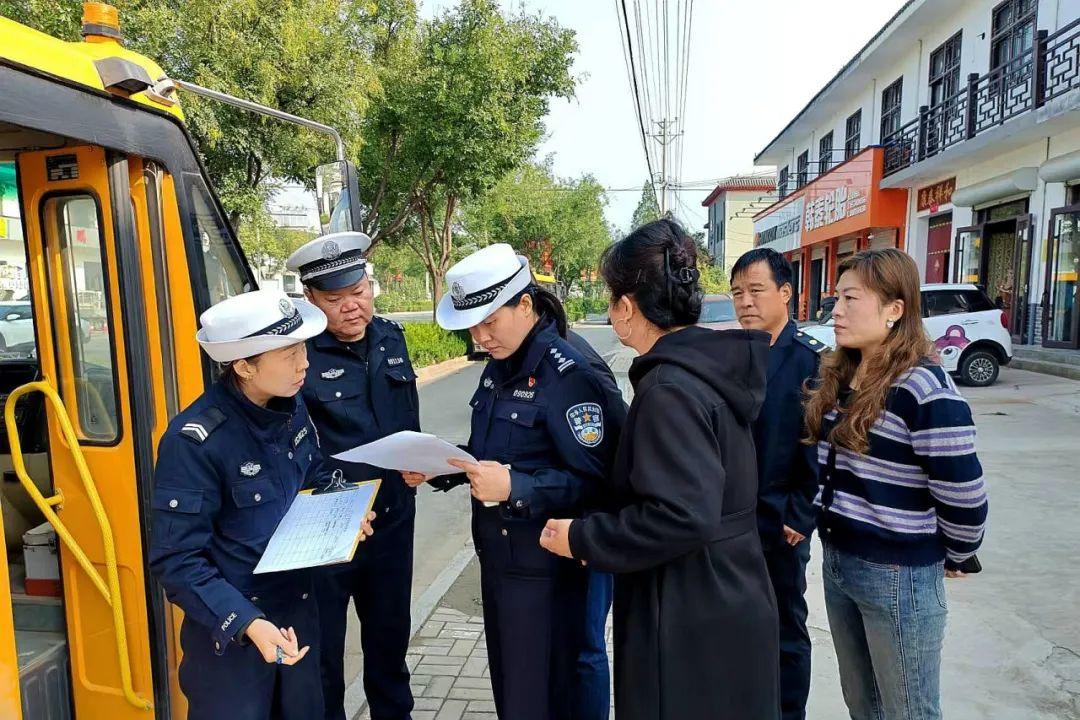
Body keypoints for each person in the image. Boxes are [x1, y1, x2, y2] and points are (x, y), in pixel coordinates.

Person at [539, 219, 779, 720]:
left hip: (689, 608)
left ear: (627, 307)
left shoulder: (670, 389)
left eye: (612, 300)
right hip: (731, 588)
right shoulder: (707, 369)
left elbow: (681, 515)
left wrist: (582, 538)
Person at [403, 243, 621, 720]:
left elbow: (599, 483)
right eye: (472, 327)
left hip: (548, 573)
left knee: (547, 697)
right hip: (501, 562)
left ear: (525, 305)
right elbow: (496, 452)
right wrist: (443, 466)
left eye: (489, 322)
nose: (481, 337)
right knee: (513, 694)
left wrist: (516, 488)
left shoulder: (568, 375)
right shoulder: (501, 366)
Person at [148, 289, 375, 720]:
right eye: (289, 354)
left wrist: (344, 509)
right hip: (232, 640)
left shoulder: (289, 406)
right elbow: (176, 561)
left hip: (297, 614)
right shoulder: (194, 442)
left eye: (303, 349)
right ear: (244, 366)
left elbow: (313, 471)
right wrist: (247, 622)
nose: (305, 363)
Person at [803, 248, 989, 720]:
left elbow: (963, 492)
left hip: (898, 576)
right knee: (863, 704)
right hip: (840, 562)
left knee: (908, 710)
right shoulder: (842, 376)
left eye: (851, 299)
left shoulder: (922, 388)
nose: (836, 310)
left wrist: (958, 552)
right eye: (836, 298)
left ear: (894, 309)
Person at [285, 231, 421, 720]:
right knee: (324, 655)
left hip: (392, 523)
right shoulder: (299, 354)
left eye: (359, 291)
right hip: (328, 529)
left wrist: (419, 462)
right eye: (335, 299)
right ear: (310, 298)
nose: (351, 306)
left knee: (390, 645)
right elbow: (291, 446)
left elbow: (406, 417)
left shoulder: (390, 337)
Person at [731, 248, 825, 720]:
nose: (745, 302)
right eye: (737, 293)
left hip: (780, 523)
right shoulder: (732, 356)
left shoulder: (809, 362)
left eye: (756, 290)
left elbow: (820, 448)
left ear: (785, 293)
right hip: (733, 521)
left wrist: (801, 515)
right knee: (738, 628)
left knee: (785, 628)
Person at [565, 329, 627, 720]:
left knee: (587, 645)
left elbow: (617, 440)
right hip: (555, 528)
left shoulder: (576, 362)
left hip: (589, 526)